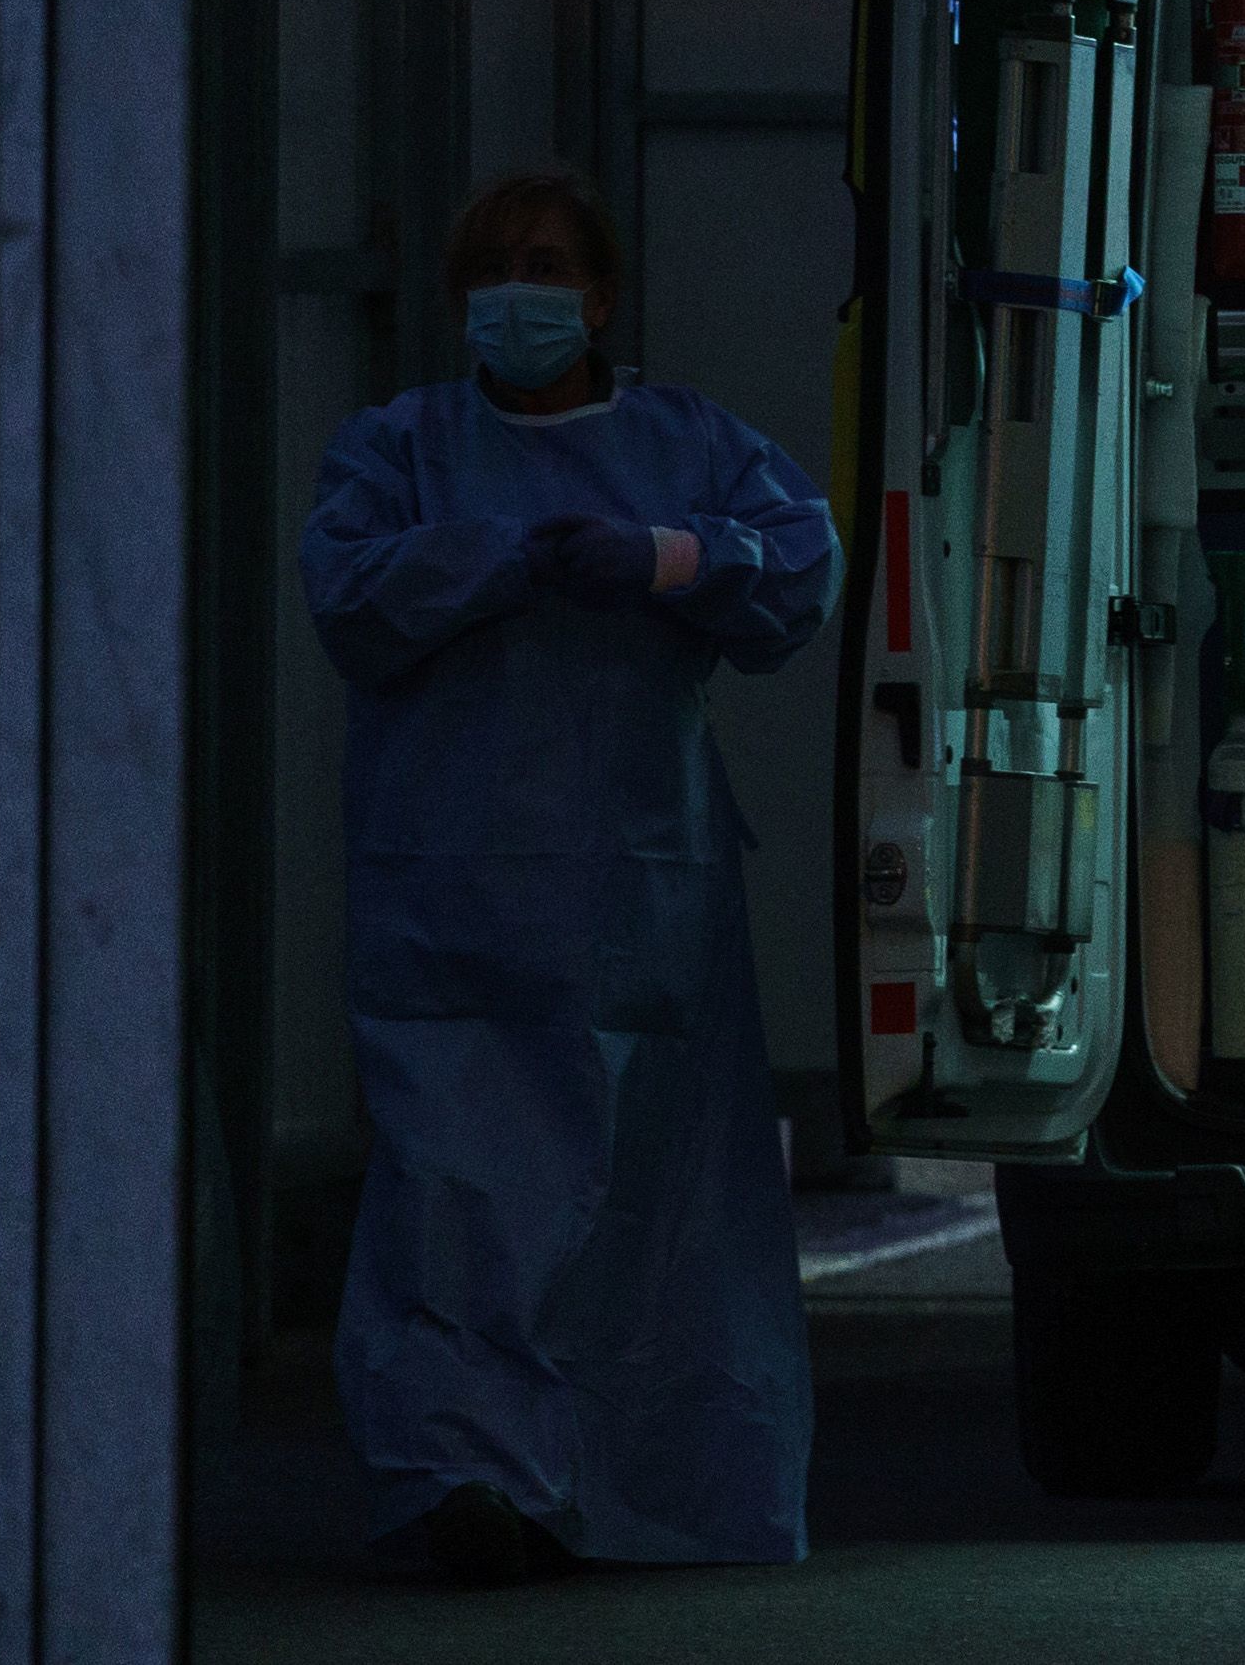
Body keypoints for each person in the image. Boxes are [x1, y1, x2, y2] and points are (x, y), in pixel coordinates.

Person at [301, 172, 841, 1584]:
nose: (514, 288)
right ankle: (463, 1475)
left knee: (642, 1198)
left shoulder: (684, 445)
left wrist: (665, 554)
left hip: (632, 902)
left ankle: (637, 1479)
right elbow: (348, 596)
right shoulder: (402, 450)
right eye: (488, 264)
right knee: (456, 1193)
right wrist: (485, 561)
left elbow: (796, 563)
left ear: (600, 296)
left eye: (542, 264)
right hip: (454, 900)